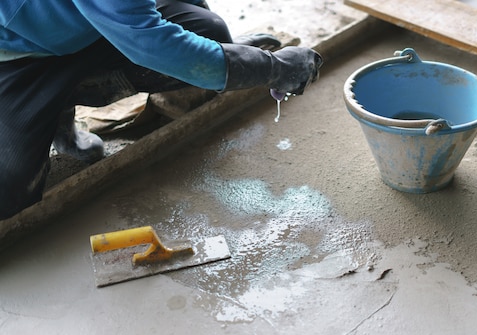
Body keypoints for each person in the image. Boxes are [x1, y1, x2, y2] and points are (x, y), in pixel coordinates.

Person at [0, 0, 323, 220]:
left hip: (95, 25)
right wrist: (272, 68)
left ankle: (59, 104)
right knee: (9, 194)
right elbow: (151, 42)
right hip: (16, 56)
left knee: (206, 30)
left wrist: (226, 53)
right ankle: (53, 114)